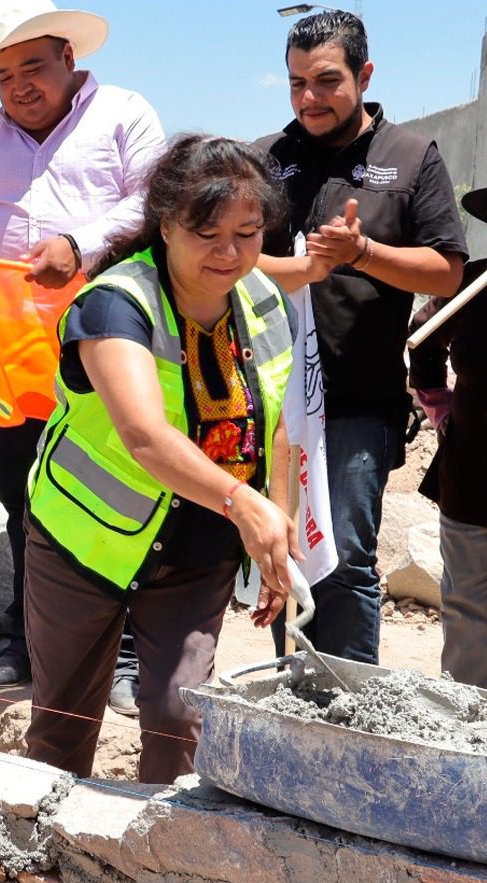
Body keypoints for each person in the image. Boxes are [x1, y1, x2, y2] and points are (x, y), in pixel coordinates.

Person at [0, 0, 164, 698]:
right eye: (2, 74)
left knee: (118, 495)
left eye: (32, 67)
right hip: (10, 354)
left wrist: (79, 246)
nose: (18, 85)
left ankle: (130, 653)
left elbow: (153, 202)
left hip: (106, 345)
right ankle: (31, 644)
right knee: (26, 504)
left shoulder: (124, 115)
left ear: (69, 60)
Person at [24, 135, 300, 784]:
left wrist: (276, 525)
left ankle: (152, 869)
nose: (229, 252)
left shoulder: (265, 302)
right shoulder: (115, 304)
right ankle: (35, 863)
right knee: (64, 725)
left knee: (181, 720)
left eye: (248, 232)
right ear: (167, 222)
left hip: (197, 555)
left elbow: (280, 420)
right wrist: (243, 503)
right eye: (208, 233)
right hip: (83, 545)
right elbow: (144, 434)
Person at [256, 11, 466, 664]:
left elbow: (448, 268)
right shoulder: (266, 159)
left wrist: (364, 252)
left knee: (344, 557)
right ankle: (293, 694)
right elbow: (229, 259)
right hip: (274, 400)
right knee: (283, 551)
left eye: (325, 81)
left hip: (358, 399)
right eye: (296, 84)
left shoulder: (410, 158)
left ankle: (351, 718)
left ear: (364, 74)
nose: (308, 99)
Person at [407, 187, 487, 689]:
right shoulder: (475, 285)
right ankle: (467, 731)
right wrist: (438, 407)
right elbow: (424, 339)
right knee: (467, 611)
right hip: (472, 475)